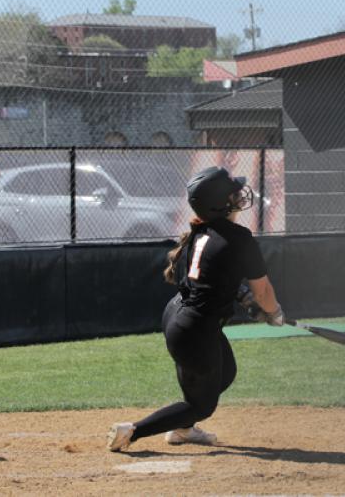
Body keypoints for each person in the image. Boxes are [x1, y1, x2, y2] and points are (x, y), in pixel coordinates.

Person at [107, 166, 284, 452]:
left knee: (225, 373)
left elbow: (213, 278)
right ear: (219, 202)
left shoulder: (200, 232)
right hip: (195, 329)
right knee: (202, 405)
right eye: (233, 193)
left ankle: (183, 427)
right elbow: (263, 291)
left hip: (180, 317)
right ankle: (133, 431)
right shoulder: (239, 237)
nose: (239, 196)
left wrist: (246, 301)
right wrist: (274, 313)